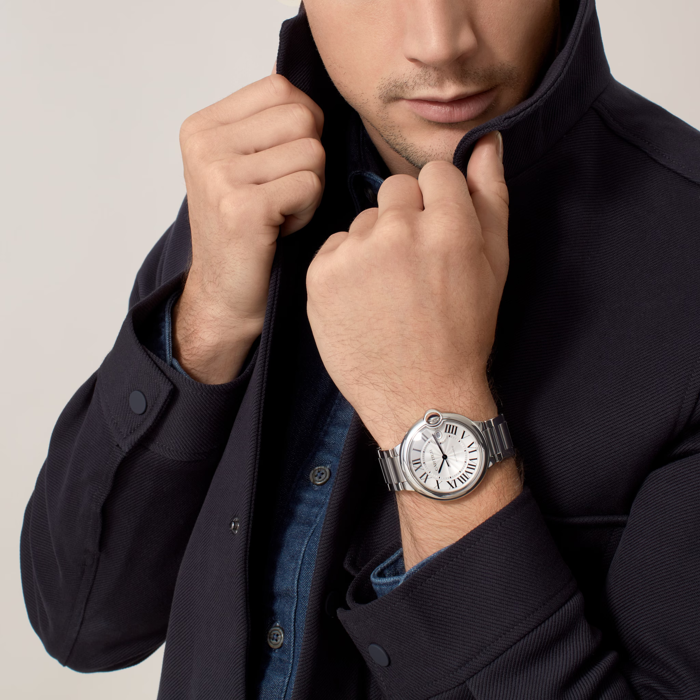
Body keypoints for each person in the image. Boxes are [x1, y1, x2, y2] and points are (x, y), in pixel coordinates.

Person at [20, 0, 700, 697]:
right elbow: (81, 622)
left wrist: (432, 410)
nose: (440, 43)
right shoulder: (251, 195)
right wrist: (209, 317)